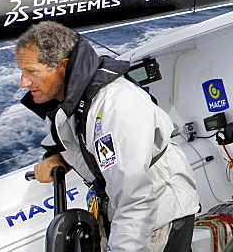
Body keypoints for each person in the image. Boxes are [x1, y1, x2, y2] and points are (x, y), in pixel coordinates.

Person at [16, 21, 199, 252]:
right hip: (118, 206)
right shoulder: (69, 98)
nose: (23, 82)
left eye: (31, 71)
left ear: (62, 66)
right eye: (22, 72)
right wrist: (57, 157)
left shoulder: (116, 107)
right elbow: (76, 140)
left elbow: (136, 198)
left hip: (156, 213)